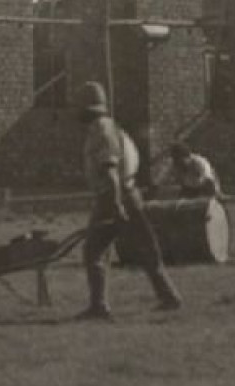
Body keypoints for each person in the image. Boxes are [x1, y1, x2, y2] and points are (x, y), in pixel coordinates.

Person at [76, 81, 183, 319]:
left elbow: (110, 172)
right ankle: (169, 296)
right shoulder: (113, 127)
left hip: (113, 197)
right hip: (131, 193)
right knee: (147, 247)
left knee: (93, 251)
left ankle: (98, 306)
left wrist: (114, 206)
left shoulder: (100, 131)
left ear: (86, 107)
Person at [154, 142, 221, 200]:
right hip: (189, 189)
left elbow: (208, 180)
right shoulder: (175, 164)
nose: (179, 164)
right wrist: (155, 186)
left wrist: (211, 195)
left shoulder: (200, 162)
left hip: (206, 187)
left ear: (187, 157)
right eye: (176, 161)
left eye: (181, 160)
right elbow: (162, 178)